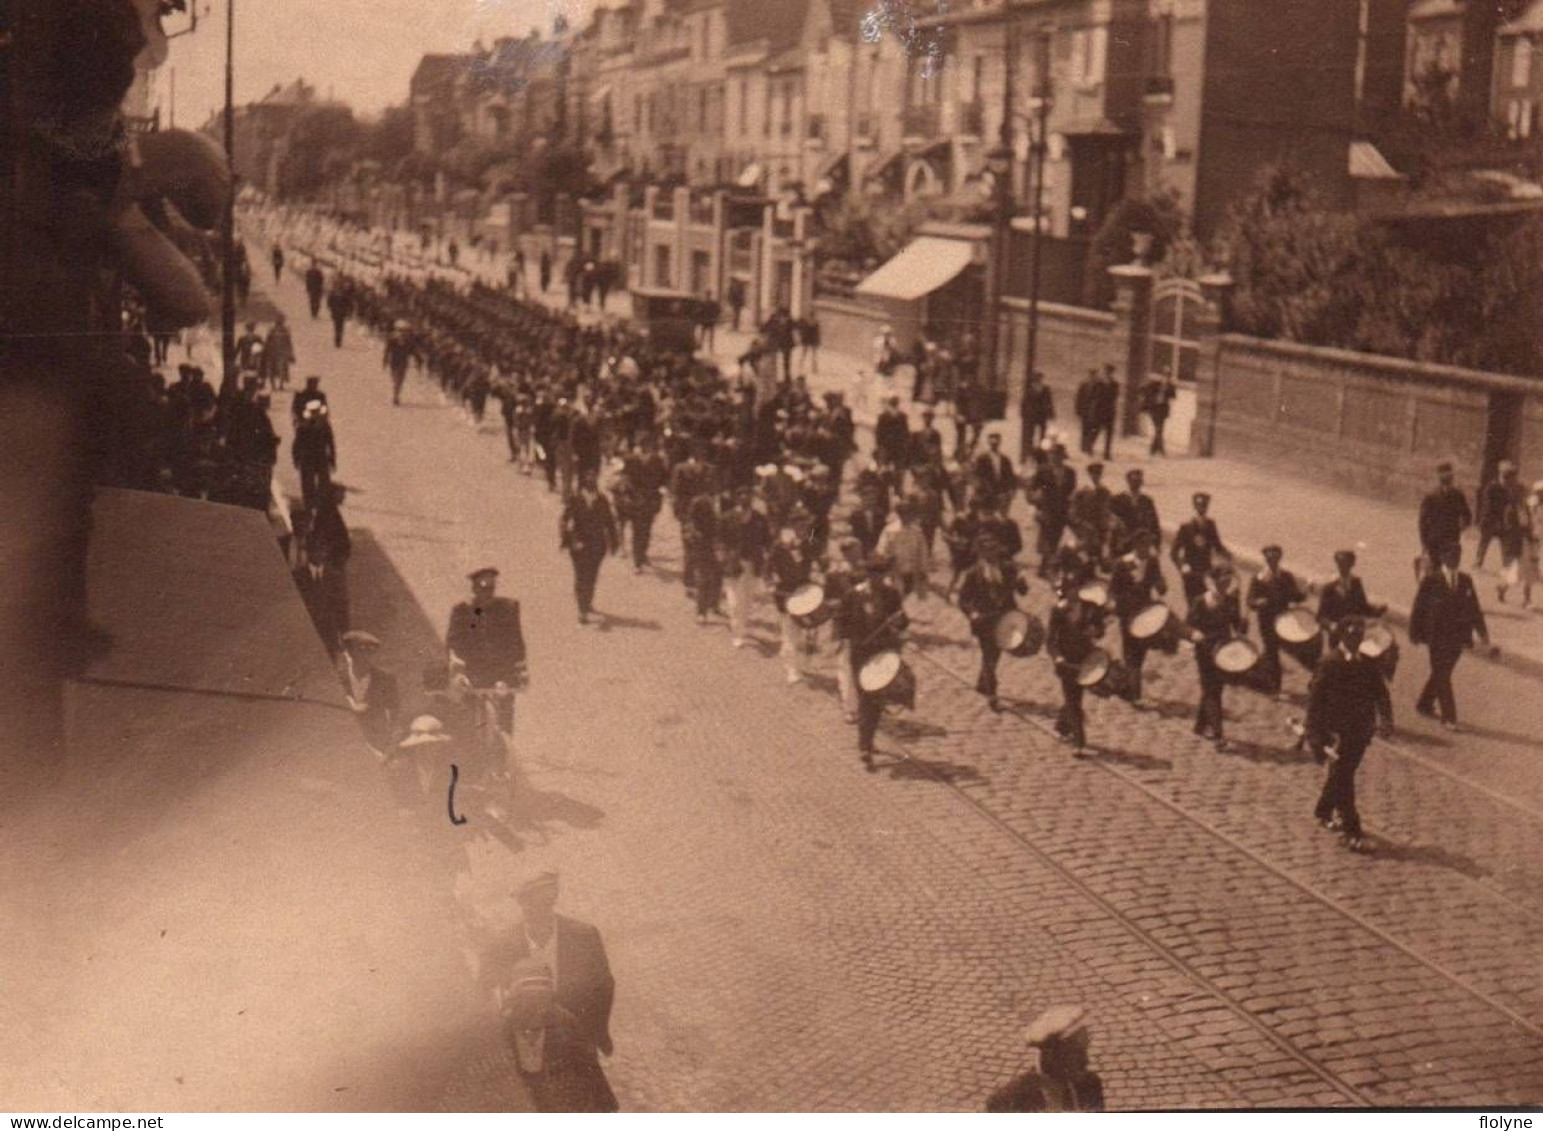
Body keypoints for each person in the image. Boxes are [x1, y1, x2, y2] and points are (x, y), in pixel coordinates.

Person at [490, 872, 617, 1113]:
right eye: (532, 906)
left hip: (574, 1036)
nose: (540, 914)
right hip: (528, 1040)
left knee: (587, 1100)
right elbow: (488, 986)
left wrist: (596, 1032)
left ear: (553, 902)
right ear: (522, 905)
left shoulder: (583, 936)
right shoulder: (503, 944)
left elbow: (603, 986)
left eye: (545, 904)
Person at [1302, 616, 1392, 854]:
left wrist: (1386, 719)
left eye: (1360, 635)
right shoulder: (1329, 663)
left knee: (1344, 773)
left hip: (1360, 731)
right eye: (1352, 635)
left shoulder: (1367, 663)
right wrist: (1314, 734)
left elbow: (1381, 693)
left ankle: (1323, 809)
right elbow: (1314, 701)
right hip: (1336, 733)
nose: (1357, 639)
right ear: (1342, 636)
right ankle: (1352, 830)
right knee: (1344, 778)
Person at [835, 554, 909, 769]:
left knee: (877, 700)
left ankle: (867, 740)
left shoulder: (891, 594)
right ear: (867, 575)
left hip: (884, 651)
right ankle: (865, 746)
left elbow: (903, 620)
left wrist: (898, 622)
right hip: (861, 653)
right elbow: (840, 621)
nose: (878, 579)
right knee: (867, 698)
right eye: (873, 575)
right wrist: (852, 637)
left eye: (881, 575)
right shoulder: (853, 596)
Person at [1409, 541, 1490, 732]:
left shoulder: (1465, 580)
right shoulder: (1431, 581)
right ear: (1443, 557)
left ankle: (1424, 702)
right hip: (1436, 637)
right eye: (1451, 555)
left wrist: (1482, 632)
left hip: (1458, 638)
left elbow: (1474, 608)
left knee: (1441, 673)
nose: (1455, 559)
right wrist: (1414, 633)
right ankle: (1449, 717)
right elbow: (1418, 608)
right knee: (1443, 675)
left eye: (1458, 555)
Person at [446, 567, 528, 740]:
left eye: (490, 590)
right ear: (474, 589)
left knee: (504, 718)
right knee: (468, 717)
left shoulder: (508, 608)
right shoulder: (461, 611)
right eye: (481, 590)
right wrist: (458, 671)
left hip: (502, 673)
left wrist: (520, 671)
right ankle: (473, 756)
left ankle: (504, 754)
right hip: (472, 673)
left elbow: (516, 642)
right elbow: (452, 643)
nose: (486, 595)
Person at [985, 1005, 1105, 1113]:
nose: (1086, 1061)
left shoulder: (1090, 1085)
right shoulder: (1007, 1102)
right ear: (1052, 1055)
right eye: (1077, 1055)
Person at [957, 533, 1028, 712]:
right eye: (987, 551)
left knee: (995, 655)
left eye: (994, 550)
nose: (991, 554)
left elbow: (1023, 591)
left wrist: (1021, 581)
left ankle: (983, 682)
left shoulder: (1008, 569)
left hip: (1005, 618)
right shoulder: (974, 573)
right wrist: (972, 612)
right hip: (984, 621)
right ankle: (992, 695)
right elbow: (963, 599)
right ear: (980, 552)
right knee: (989, 655)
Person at [1186, 564, 1247, 751]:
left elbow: (1236, 626)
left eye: (1228, 580)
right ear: (1214, 580)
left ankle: (1199, 725)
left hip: (1223, 651)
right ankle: (1218, 733)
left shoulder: (1230, 600)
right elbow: (1188, 624)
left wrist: (1243, 625)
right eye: (1222, 580)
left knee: (1214, 689)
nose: (1225, 583)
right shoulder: (1201, 601)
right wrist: (1195, 633)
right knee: (1211, 690)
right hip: (1205, 651)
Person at [1109, 528, 1167, 708]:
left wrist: (1161, 585)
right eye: (1143, 545)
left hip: (1145, 613)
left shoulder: (1152, 562)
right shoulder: (1123, 563)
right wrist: (1116, 605)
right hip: (1127, 613)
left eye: (1148, 545)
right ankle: (1134, 695)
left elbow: (1159, 585)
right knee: (1131, 652)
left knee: (1139, 652)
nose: (1146, 549)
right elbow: (1113, 589)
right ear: (1135, 545)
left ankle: (1125, 687)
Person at [1245, 544, 1310, 699]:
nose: (1273, 559)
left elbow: (1296, 597)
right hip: (1267, 621)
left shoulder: (1286, 576)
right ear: (1265, 558)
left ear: (1280, 558)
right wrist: (1259, 602)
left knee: (1278, 651)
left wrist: (1307, 589)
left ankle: (1263, 676)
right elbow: (1250, 601)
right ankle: (1275, 688)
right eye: (1270, 556)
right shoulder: (1259, 578)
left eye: (1276, 556)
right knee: (1272, 653)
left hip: (1284, 622)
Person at [1047, 576, 1098, 756]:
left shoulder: (1088, 607)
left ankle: (1062, 725)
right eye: (1067, 591)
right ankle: (1079, 743)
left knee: (1074, 699)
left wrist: (1095, 631)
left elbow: (1099, 628)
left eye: (1073, 589)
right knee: (1074, 701)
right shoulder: (1058, 612)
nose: (1071, 594)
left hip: (1084, 660)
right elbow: (1051, 641)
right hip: (1067, 663)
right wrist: (1058, 658)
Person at [560, 473, 619, 626]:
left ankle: (587, 601)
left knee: (592, 576)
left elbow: (609, 522)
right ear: (583, 484)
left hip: (597, 545)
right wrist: (568, 539)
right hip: (579, 544)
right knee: (580, 576)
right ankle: (582, 609)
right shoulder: (575, 499)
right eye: (588, 481)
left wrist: (614, 543)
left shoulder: (602, 500)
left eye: (594, 481)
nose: (592, 484)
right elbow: (564, 520)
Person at [767, 516, 819, 683]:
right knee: (790, 632)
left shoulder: (809, 543)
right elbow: (767, 569)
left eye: (806, 526)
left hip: (804, 591)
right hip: (786, 593)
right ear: (792, 526)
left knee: (807, 631)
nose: (803, 529)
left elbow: (818, 562)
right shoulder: (780, 545)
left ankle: (798, 662)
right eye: (799, 526)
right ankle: (792, 670)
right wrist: (772, 586)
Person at [719, 488, 772, 649]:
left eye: (747, 495)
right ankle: (737, 633)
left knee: (748, 600)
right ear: (736, 498)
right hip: (734, 564)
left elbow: (767, 542)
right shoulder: (727, 518)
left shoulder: (760, 519)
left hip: (753, 564)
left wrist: (767, 562)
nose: (744, 498)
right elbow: (720, 540)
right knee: (734, 601)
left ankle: (742, 626)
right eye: (741, 495)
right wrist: (723, 557)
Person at [338, 630, 398, 755]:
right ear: (350, 653)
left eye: (371, 653)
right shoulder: (339, 678)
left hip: (377, 741)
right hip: (344, 742)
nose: (368, 658)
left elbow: (394, 711)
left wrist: (390, 740)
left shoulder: (386, 678)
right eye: (362, 652)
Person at [1171, 491, 1230, 610]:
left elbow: (1217, 546)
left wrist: (1229, 556)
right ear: (1194, 505)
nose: (1201, 507)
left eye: (1204, 504)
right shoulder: (1186, 527)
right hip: (1191, 574)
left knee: (1207, 605)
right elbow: (1174, 552)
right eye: (1199, 504)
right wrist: (1182, 567)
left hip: (1207, 572)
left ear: (1207, 506)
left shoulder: (1211, 525)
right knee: (1192, 606)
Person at [1416, 460, 1472, 580]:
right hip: (1433, 542)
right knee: (1431, 575)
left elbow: (1467, 515)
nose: (1447, 479)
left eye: (1449, 476)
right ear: (1439, 477)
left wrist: (1461, 527)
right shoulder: (1431, 496)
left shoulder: (1458, 495)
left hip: (1451, 541)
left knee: (1450, 575)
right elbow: (1423, 521)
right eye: (1444, 476)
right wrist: (1424, 543)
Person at [1026, 445, 1076, 578]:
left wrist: (1071, 506)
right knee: (1046, 537)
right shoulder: (1043, 471)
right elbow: (1031, 487)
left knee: (1056, 537)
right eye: (1053, 455)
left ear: (1062, 456)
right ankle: (1046, 567)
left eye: (1058, 455)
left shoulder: (1070, 472)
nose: (1055, 458)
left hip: (1062, 510)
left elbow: (1071, 491)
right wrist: (1033, 502)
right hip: (1047, 509)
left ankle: (1045, 566)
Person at [620, 437, 669, 572]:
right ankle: (638, 561)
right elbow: (625, 478)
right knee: (637, 529)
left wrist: (663, 489)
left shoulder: (657, 461)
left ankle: (643, 552)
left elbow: (664, 478)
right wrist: (629, 493)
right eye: (645, 446)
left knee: (647, 528)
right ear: (641, 447)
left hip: (651, 499)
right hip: (635, 498)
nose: (648, 449)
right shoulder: (631, 460)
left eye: (650, 446)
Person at [1317, 549, 1386, 628]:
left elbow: (1362, 607)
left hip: (1354, 630)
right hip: (1337, 631)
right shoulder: (1329, 586)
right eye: (1340, 563)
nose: (1343, 567)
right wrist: (1332, 625)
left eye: (1346, 563)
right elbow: (1320, 617)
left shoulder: (1356, 583)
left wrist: (1376, 611)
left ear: (1352, 564)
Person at [292, 402, 337, 512]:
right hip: (309, 458)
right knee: (308, 486)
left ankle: (320, 506)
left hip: (319, 458)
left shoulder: (324, 426)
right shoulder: (303, 427)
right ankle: (310, 507)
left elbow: (330, 443)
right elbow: (297, 445)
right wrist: (296, 458)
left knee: (323, 483)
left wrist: (332, 459)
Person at [1109, 468, 1160, 557]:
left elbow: (1154, 524)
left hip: (1142, 545)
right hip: (1124, 543)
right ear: (1128, 481)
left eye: (1139, 481)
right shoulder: (1118, 499)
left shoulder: (1146, 501)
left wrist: (1156, 544)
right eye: (1134, 481)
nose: (1136, 483)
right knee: (1124, 567)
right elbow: (1112, 523)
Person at [971, 431, 1017, 512]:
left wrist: (1011, 490)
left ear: (1000, 442)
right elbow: (978, 475)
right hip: (987, 492)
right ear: (988, 442)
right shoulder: (982, 458)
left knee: (1001, 514)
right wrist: (983, 488)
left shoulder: (1005, 459)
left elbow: (1010, 476)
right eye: (992, 440)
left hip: (1001, 492)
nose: (994, 443)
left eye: (997, 440)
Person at [1140, 374, 1177, 456]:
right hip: (1154, 409)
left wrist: (1169, 387)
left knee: (1159, 430)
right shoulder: (1155, 384)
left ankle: (1154, 449)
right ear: (1161, 377)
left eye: (1168, 378)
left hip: (1162, 411)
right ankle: (1160, 450)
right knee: (1158, 429)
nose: (1166, 379)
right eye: (1165, 377)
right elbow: (1144, 389)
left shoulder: (1169, 386)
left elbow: (1174, 396)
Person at [1090, 365, 1120, 462]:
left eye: (1110, 372)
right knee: (1096, 431)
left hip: (1110, 411)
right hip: (1100, 411)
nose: (1108, 374)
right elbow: (1093, 395)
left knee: (1109, 433)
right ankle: (1090, 446)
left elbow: (1115, 396)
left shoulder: (1115, 384)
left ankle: (1107, 453)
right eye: (1107, 372)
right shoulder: (1099, 383)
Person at [1021, 371, 1055, 452]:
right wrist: (1023, 412)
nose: (1038, 380)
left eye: (1039, 379)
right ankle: (1028, 450)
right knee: (1030, 434)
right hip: (1031, 415)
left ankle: (1042, 450)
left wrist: (1051, 412)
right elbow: (1024, 402)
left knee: (1043, 433)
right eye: (1036, 379)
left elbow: (1049, 401)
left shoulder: (1046, 389)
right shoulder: (1029, 389)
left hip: (1042, 414)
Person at [383, 320, 414, 406]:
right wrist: (385, 361)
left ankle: (396, 395)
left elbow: (412, 351)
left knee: (401, 380)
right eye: (401, 330)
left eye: (405, 331)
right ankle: (395, 396)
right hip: (394, 362)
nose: (403, 333)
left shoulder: (409, 341)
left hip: (404, 362)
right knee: (395, 379)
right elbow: (387, 351)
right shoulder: (392, 339)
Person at [261, 314, 296, 391]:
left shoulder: (285, 330)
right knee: (273, 368)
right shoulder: (272, 329)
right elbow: (268, 340)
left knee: (280, 368)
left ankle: (280, 385)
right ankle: (274, 385)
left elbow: (288, 342)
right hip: (273, 351)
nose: (279, 321)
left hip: (280, 352)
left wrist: (290, 352)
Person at [1073, 368, 1100, 456]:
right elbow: (1079, 398)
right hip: (1085, 410)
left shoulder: (1099, 385)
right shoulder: (1084, 384)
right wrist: (1077, 409)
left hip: (1095, 411)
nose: (1093, 376)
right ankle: (1084, 446)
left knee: (1094, 430)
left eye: (1094, 375)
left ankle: (1089, 446)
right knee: (1085, 429)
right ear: (1089, 375)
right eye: (1091, 375)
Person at [326, 282, 355, 349]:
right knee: (341, 327)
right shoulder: (345, 294)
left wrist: (331, 309)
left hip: (335, 312)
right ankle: (339, 340)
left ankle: (337, 340)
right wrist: (350, 312)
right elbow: (349, 303)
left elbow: (329, 302)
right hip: (342, 313)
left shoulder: (333, 293)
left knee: (336, 327)